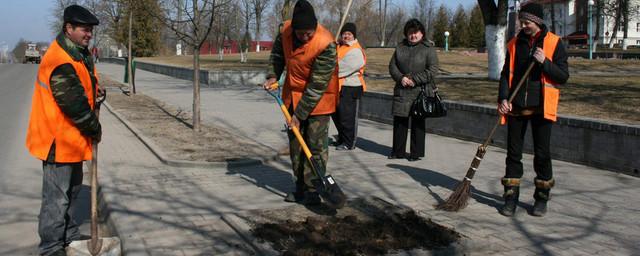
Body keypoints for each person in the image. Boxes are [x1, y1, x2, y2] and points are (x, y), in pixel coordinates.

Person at [25, 5, 103, 256]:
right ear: (68, 28)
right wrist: (95, 128)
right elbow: (75, 106)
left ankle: (68, 236)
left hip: (71, 141)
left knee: (72, 193)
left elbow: (85, 83)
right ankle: (50, 248)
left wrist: (97, 91)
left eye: (90, 30)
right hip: (56, 141)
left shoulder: (78, 53)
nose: (89, 34)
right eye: (84, 29)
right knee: (56, 200)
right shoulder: (59, 60)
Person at [263, 0, 339, 205]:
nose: (305, 37)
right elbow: (278, 55)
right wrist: (272, 75)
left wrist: (299, 115)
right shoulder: (286, 31)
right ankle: (300, 186)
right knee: (296, 145)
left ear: (315, 26)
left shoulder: (326, 43)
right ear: (293, 28)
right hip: (291, 96)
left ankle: (314, 189)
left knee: (314, 146)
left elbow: (316, 86)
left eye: (309, 33)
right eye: (301, 33)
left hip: (319, 99)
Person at [497, 3, 569, 217]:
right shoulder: (514, 44)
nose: (523, 25)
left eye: (526, 22)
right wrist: (503, 98)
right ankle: (510, 198)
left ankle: (541, 199)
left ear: (537, 21)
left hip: (541, 108)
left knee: (542, 154)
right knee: (513, 155)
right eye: (522, 21)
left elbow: (563, 76)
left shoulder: (554, 43)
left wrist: (544, 62)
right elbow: (504, 75)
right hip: (516, 107)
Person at [388, 18, 438, 161]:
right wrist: (401, 78)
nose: (413, 35)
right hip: (402, 90)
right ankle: (398, 152)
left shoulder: (428, 49)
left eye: (416, 32)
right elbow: (392, 66)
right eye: (410, 32)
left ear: (422, 33)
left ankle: (415, 154)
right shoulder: (399, 47)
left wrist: (415, 80)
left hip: (420, 92)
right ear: (406, 33)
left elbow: (433, 70)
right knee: (400, 122)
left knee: (418, 124)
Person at [331, 22, 367, 150]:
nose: (346, 36)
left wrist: (329, 69)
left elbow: (341, 68)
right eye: (344, 34)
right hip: (338, 86)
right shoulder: (340, 46)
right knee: (337, 115)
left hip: (350, 87)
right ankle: (342, 138)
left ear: (353, 35)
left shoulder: (355, 50)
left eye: (349, 34)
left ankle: (349, 142)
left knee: (348, 116)